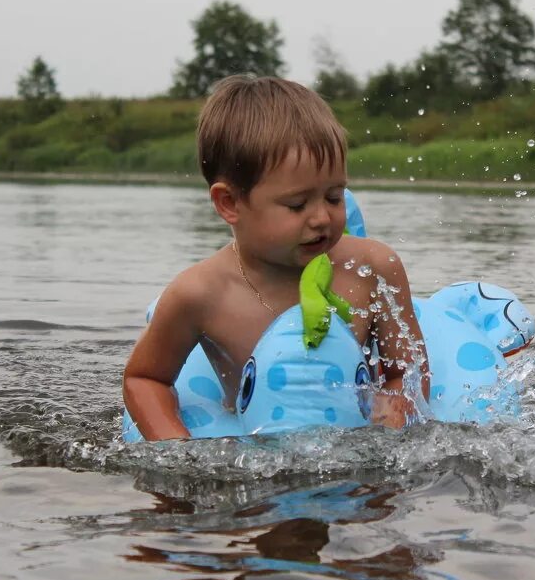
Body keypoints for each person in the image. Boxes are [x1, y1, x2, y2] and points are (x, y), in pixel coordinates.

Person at [123, 75, 430, 441]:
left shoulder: (372, 269)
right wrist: (178, 450)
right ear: (230, 203)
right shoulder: (201, 295)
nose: (321, 218)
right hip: (249, 428)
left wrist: (391, 423)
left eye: (334, 197)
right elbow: (145, 378)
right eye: (297, 205)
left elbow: (406, 370)